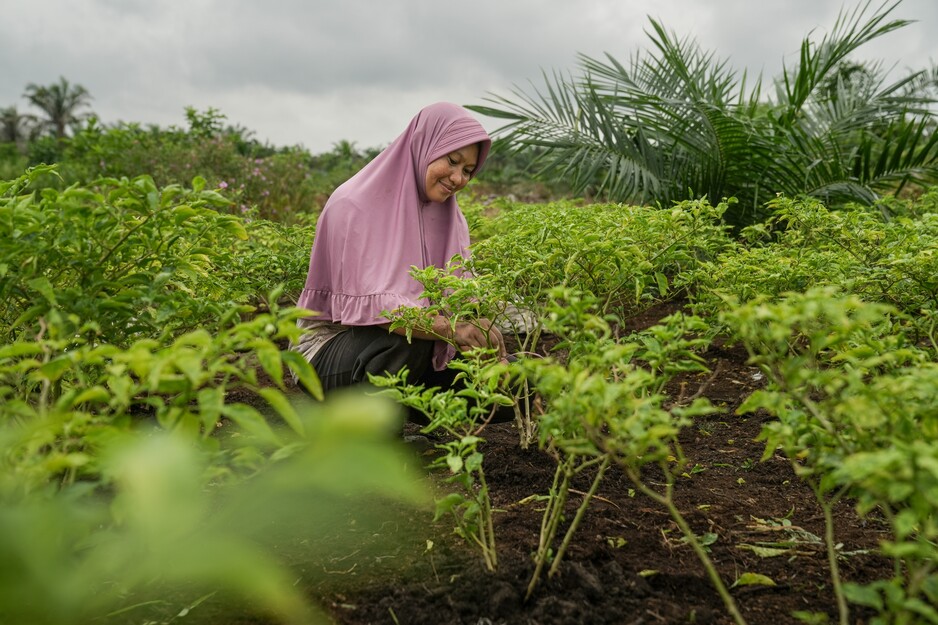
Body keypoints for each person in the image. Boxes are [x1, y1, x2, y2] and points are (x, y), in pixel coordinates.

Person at [292, 102, 508, 414]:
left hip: (414, 351)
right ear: (424, 145)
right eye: (452, 160)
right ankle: (376, 449)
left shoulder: (450, 216)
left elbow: (459, 299)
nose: (458, 178)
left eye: (468, 171)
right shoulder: (354, 204)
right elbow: (381, 312)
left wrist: (480, 333)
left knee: (518, 376)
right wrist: (451, 329)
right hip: (326, 354)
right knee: (408, 338)